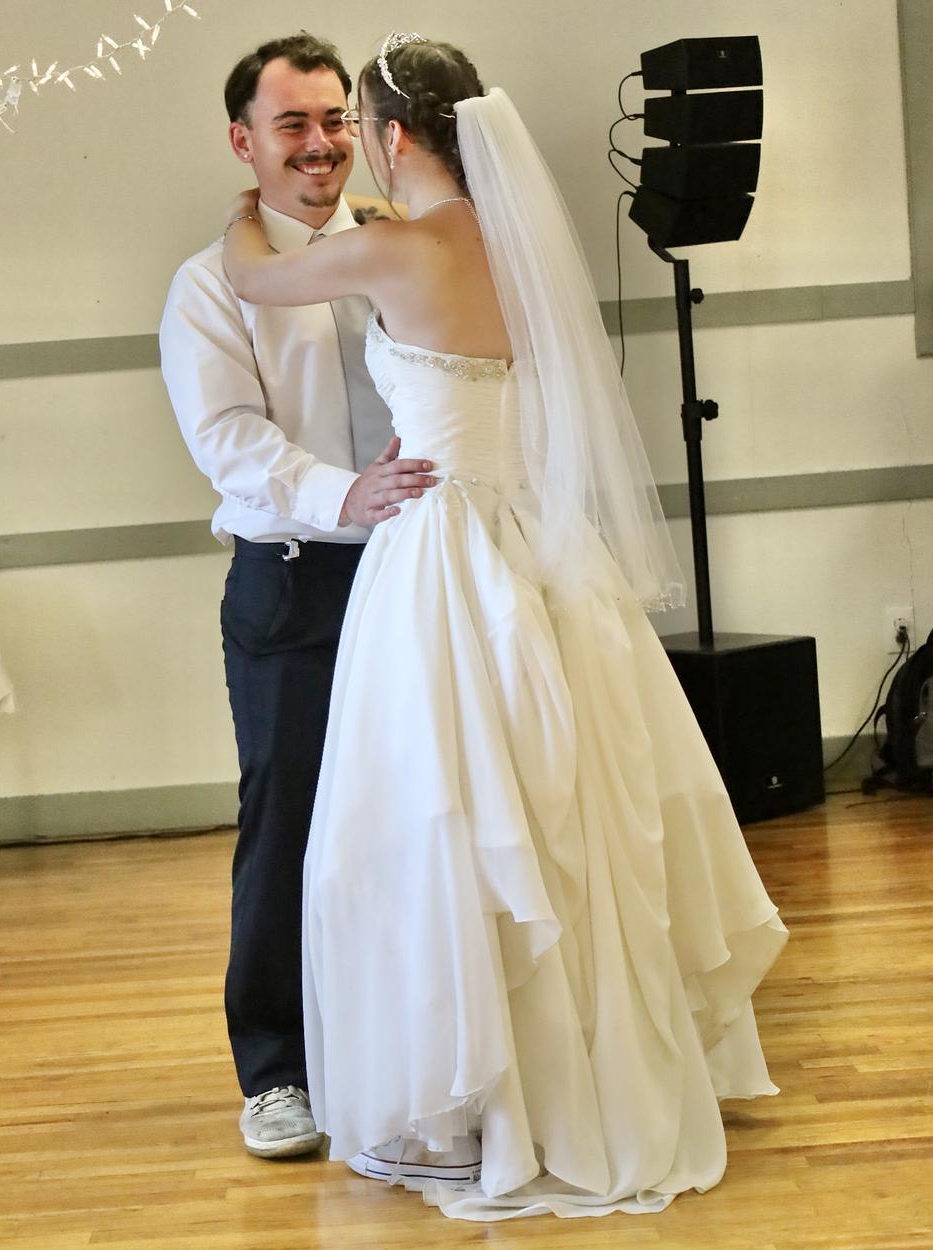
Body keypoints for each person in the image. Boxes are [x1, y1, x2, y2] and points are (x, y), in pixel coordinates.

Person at [222, 32, 789, 1220]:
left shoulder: (391, 247)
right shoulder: (519, 241)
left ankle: (477, 1088)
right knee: (559, 804)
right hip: (534, 540)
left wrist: (242, 210)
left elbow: (256, 278)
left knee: (441, 811)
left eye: (358, 124)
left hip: (437, 547)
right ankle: (580, 1063)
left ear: (391, 136)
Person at [159, 32, 438, 1159]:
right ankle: (276, 1071)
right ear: (245, 142)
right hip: (293, 581)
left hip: (422, 568)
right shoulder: (209, 283)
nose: (320, 143)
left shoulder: (402, 242)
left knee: (423, 809)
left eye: (333, 121)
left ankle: (411, 1045)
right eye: (292, 125)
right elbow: (228, 439)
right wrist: (344, 495)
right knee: (289, 820)